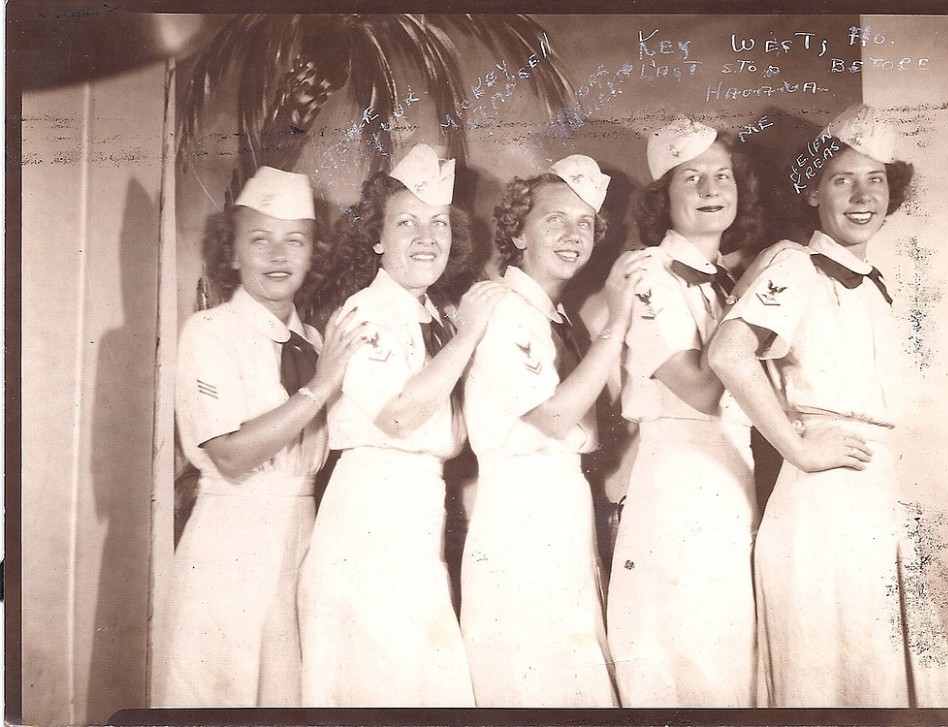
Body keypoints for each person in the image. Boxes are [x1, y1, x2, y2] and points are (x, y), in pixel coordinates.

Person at [708, 104, 948, 706]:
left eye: (875, 179)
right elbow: (728, 354)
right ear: (813, 191)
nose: (861, 194)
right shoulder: (795, 265)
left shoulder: (871, 280)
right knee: (835, 684)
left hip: (870, 494)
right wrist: (799, 446)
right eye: (842, 178)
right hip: (823, 504)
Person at [298, 144, 504, 706]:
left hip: (418, 509)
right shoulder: (365, 311)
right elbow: (397, 416)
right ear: (377, 238)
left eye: (438, 222)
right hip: (369, 512)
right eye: (406, 222)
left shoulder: (434, 315)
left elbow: (455, 434)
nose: (427, 237)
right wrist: (469, 337)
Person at [161, 166, 371, 706]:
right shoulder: (210, 333)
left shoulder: (316, 339)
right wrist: (322, 387)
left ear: (313, 255)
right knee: (219, 692)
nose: (279, 256)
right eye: (260, 240)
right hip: (231, 535)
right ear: (231, 253)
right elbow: (229, 457)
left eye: (295, 241)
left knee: (288, 696)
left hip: (303, 537)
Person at [459, 155, 650, 707]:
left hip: (559, 509)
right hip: (522, 515)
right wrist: (617, 321)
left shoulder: (552, 315)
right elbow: (553, 417)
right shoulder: (505, 311)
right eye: (555, 220)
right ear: (517, 230)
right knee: (535, 679)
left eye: (585, 223)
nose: (573, 235)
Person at [606, 117, 763, 706]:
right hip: (682, 474)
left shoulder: (725, 281)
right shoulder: (650, 276)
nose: (711, 190)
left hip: (731, 471)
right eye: (691, 179)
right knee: (688, 653)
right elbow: (700, 389)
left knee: (727, 657)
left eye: (721, 176)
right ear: (662, 200)